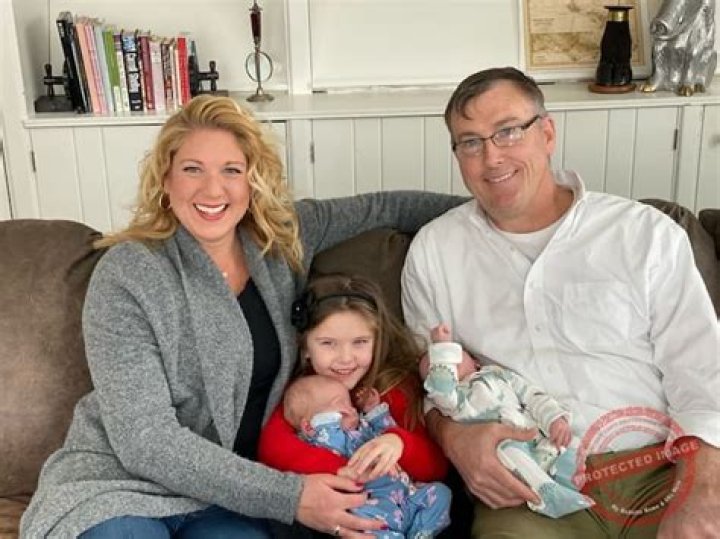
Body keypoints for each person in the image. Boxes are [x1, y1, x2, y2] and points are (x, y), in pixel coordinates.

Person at [19, 95, 463, 539]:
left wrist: (492, 210)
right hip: (118, 485)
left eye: (231, 170)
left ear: (253, 181)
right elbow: (145, 440)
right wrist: (289, 496)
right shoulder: (129, 272)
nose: (213, 191)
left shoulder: (281, 240)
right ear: (165, 180)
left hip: (226, 499)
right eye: (193, 169)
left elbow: (387, 207)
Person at [400, 67, 720, 538]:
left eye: (508, 131)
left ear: (547, 133)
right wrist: (454, 438)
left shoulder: (645, 234)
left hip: (660, 470)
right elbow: (422, 384)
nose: (491, 157)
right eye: (470, 142)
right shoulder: (434, 251)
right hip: (528, 484)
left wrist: (704, 490)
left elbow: (702, 371)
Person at [258, 273, 450, 536]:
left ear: (377, 341)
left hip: (403, 502)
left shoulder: (393, 388)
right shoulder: (303, 394)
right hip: (352, 511)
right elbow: (272, 449)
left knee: (441, 495)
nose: (345, 358)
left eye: (360, 342)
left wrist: (398, 443)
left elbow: (435, 466)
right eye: (328, 344)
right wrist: (351, 471)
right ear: (304, 348)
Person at [421, 323, 592, 519]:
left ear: (475, 361)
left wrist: (554, 419)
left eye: (453, 353)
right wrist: (442, 348)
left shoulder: (498, 374)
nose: (444, 362)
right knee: (512, 454)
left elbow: (531, 395)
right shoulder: (454, 400)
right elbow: (442, 388)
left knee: (568, 442)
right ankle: (546, 495)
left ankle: (569, 480)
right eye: (433, 367)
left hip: (533, 431)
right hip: (502, 444)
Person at [282, 373, 451, 537]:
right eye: (339, 403)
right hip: (373, 510)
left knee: (441, 493)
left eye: (349, 402)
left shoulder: (362, 426)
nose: (350, 408)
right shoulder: (322, 440)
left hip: (407, 496)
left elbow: (386, 432)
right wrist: (332, 422)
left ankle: (421, 533)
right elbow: (330, 440)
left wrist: (375, 411)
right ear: (309, 427)